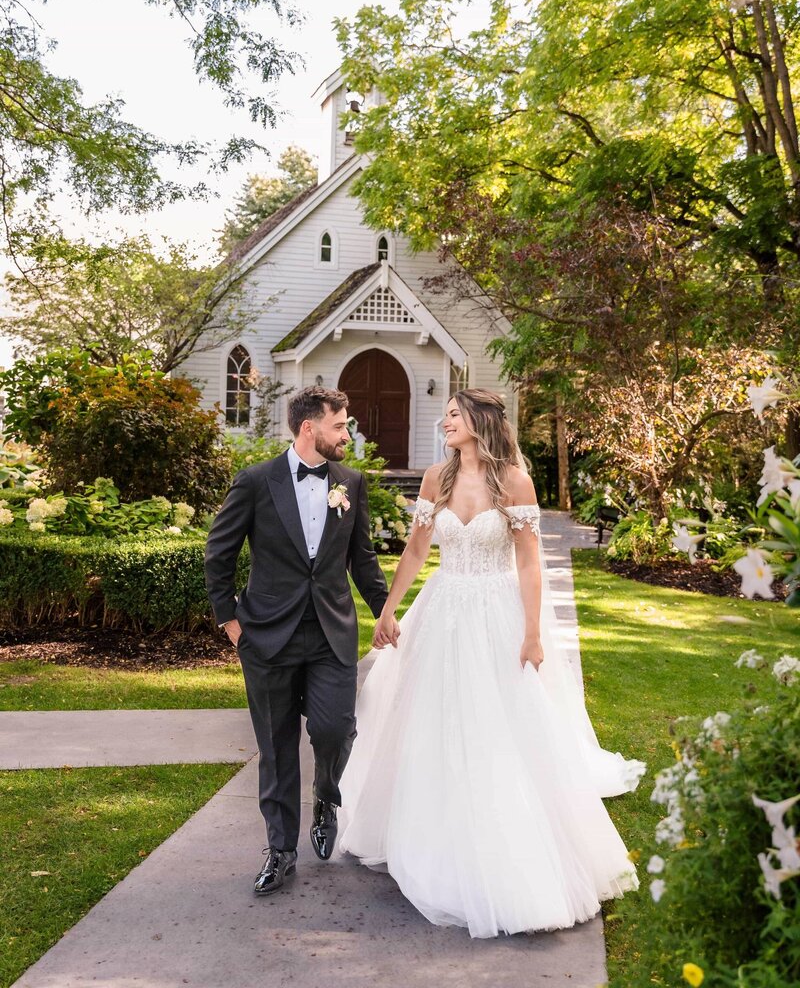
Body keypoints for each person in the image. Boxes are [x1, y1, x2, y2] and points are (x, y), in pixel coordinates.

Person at [337, 388, 645, 939]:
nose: (445, 422)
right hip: (443, 607)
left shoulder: (515, 483)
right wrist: (387, 610)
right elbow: (414, 550)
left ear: (480, 421)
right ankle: (433, 832)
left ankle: (506, 839)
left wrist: (531, 632)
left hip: (496, 614)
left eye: (454, 415)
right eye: (447, 415)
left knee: (499, 724)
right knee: (434, 720)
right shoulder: (437, 478)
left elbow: (531, 563)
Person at [205, 386, 396, 896]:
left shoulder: (350, 482)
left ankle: (327, 796)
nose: (347, 434)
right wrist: (232, 623)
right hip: (267, 635)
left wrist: (387, 613)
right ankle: (281, 849)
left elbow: (363, 560)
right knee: (276, 746)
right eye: (340, 425)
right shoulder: (254, 482)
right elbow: (218, 554)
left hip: (331, 632)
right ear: (310, 427)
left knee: (335, 729)